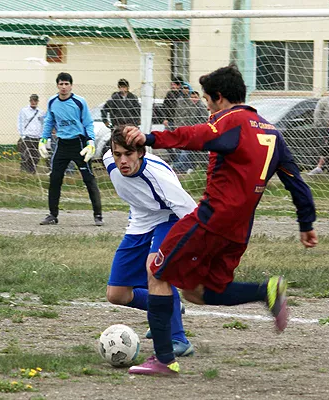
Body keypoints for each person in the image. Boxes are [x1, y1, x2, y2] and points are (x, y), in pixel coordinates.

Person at [122, 65, 318, 376]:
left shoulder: (233, 120)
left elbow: (197, 136)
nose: (207, 108)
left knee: (156, 271)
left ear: (220, 98)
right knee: (197, 292)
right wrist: (306, 224)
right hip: (239, 230)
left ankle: (163, 359)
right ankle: (265, 291)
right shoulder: (271, 131)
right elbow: (296, 182)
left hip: (211, 220)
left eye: (207, 101)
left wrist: (149, 137)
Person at [103, 127, 196, 358]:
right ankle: (167, 305)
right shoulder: (108, 161)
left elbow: (192, 214)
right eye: (118, 154)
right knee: (117, 295)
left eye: (129, 154)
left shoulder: (159, 178)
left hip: (169, 218)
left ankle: (178, 339)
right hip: (140, 221)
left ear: (141, 153)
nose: (122, 160)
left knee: (154, 269)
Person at [38, 72, 103, 226]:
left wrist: (91, 142)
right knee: (55, 179)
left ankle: (98, 215)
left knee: (89, 179)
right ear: (57, 85)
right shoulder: (52, 101)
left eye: (67, 84)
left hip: (79, 144)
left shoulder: (79, 102)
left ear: (71, 86)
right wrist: (43, 139)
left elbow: (88, 123)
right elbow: (49, 121)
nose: (64, 87)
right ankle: (52, 215)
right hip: (62, 144)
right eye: (61, 84)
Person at [171, 89, 210, 173]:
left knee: (186, 149)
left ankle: (176, 166)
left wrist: (194, 127)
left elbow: (203, 120)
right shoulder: (190, 106)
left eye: (195, 97)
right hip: (188, 131)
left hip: (196, 132)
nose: (193, 99)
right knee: (183, 149)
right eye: (192, 97)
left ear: (199, 98)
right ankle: (183, 167)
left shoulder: (201, 106)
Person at [308, 89, 329, 175]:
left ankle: (328, 168)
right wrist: (319, 126)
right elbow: (317, 114)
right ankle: (320, 167)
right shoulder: (324, 101)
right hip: (324, 128)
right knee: (324, 146)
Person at [17, 94, 45, 174]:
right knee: (25, 155)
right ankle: (24, 171)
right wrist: (23, 135)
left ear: (37, 101)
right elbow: (20, 123)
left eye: (35, 100)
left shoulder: (41, 112)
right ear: (30, 101)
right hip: (27, 136)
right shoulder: (24, 111)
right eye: (32, 100)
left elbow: (43, 124)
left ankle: (32, 171)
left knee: (36, 156)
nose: (33, 102)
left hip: (37, 137)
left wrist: (42, 135)